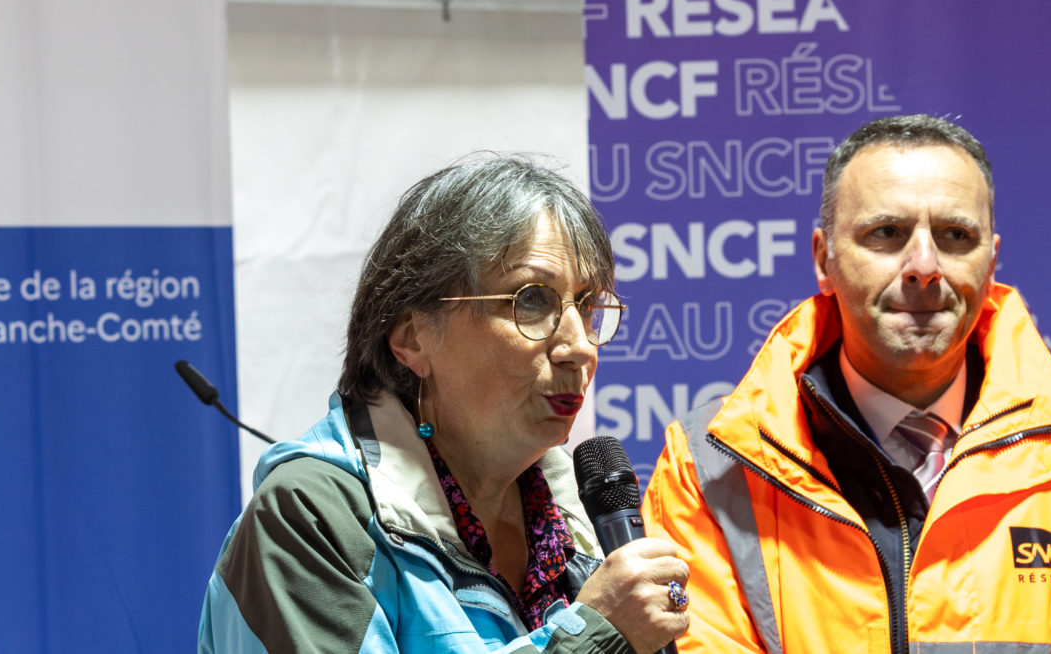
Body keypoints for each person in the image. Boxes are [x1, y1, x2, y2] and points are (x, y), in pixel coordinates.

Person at [199, 155, 690, 653]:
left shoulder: (576, 523)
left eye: (587, 307)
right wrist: (594, 636)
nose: (580, 346)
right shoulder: (310, 516)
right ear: (412, 338)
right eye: (532, 300)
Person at [642, 114, 1051, 652]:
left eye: (956, 236)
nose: (925, 266)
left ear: (992, 261)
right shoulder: (711, 465)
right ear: (824, 259)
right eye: (886, 233)